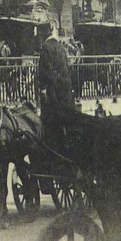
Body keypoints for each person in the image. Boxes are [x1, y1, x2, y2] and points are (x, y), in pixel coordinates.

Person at [38, 20, 75, 149]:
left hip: (54, 95)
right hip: (66, 93)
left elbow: (45, 73)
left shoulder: (46, 49)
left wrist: (43, 90)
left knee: (50, 124)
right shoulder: (60, 47)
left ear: (42, 35)